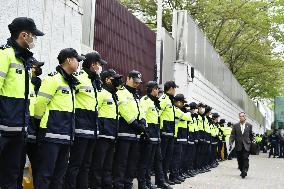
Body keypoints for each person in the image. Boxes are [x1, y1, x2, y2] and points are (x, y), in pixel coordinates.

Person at [0, 17, 44, 189]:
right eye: (33, 36)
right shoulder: (5, 55)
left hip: (19, 130)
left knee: (12, 176)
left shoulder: (24, 60)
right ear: (24, 35)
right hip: (3, 129)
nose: (34, 40)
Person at [34, 48, 84, 188]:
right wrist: (38, 123)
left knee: (59, 176)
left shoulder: (71, 82)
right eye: (77, 60)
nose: (79, 63)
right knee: (45, 174)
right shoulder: (53, 79)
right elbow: (39, 104)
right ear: (68, 60)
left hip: (65, 136)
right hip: (51, 134)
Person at [64, 51, 107, 189]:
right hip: (80, 129)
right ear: (93, 64)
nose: (101, 67)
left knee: (86, 165)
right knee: (75, 164)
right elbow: (68, 99)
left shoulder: (94, 80)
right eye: (100, 64)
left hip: (92, 130)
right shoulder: (78, 77)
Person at [112, 70, 146, 189]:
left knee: (132, 163)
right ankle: (119, 185)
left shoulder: (136, 95)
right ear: (128, 78)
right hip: (125, 133)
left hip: (136, 135)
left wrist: (143, 122)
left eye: (138, 82)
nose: (137, 84)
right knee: (121, 162)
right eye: (135, 81)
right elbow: (124, 110)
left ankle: (128, 184)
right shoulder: (121, 92)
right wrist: (137, 125)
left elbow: (141, 111)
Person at [90, 69, 122, 189]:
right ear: (107, 80)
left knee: (108, 165)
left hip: (111, 135)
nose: (117, 81)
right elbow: (95, 111)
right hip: (102, 135)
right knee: (98, 164)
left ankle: (106, 185)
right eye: (114, 78)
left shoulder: (113, 95)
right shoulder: (101, 93)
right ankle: (96, 186)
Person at [137, 81, 172, 189]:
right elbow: (142, 116)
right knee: (145, 161)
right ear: (153, 89)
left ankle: (148, 183)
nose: (158, 92)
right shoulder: (145, 100)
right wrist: (145, 132)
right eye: (157, 89)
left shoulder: (155, 102)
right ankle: (142, 184)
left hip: (156, 134)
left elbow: (157, 119)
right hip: (149, 134)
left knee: (151, 161)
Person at [159, 81, 179, 185]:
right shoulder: (163, 99)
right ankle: (161, 178)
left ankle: (165, 177)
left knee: (168, 157)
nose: (175, 90)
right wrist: (162, 129)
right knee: (162, 157)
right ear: (171, 88)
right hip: (165, 133)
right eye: (175, 88)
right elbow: (158, 114)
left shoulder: (170, 100)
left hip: (170, 134)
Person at [229, 112, 254, 179]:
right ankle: (241, 169)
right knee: (239, 159)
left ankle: (245, 170)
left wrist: (252, 142)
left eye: (242, 116)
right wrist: (231, 143)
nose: (241, 117)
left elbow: (251, 135)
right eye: (240, 116)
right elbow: (232, 135)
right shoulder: (235, 125)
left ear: (245, 117)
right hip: (238, 145)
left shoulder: (249, 125)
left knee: (245, 158)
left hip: (246, 145)